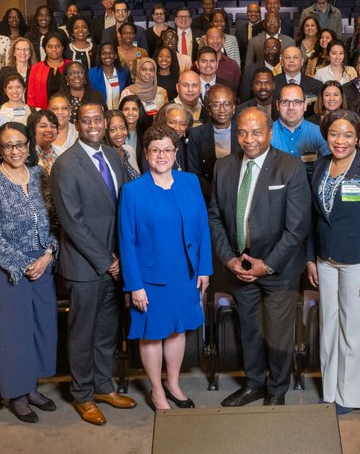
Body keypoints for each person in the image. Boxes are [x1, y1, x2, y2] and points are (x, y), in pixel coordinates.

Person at [209, 107, 312, 408]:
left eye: (256, 132)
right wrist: (229, 260)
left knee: (278, 332)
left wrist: (265, 266)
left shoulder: (290, 167)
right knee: (250, 330)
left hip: (277, 269)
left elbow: (297, 228)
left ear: (269, 133)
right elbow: (215, 218)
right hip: (239, 267)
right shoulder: (224, 167)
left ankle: (277, 389)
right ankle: (254, 384)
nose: (249, 139)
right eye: (242, 132)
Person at [50, 103, 137, 425]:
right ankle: (83, 394)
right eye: (85, 120)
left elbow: (122, 210)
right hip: (85, 267)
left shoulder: (115, 156)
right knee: (82, 334)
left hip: (114, 262)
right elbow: (72, 223)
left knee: (106, 331)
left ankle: (104, 386)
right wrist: (107, 261)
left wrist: (121, 258)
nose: (93, 125)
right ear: (77, 124)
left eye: (97, 119)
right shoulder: (65, 165)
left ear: (105, 121)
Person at [118, 125, 213, 412]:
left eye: (168, 150)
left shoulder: (190, 182)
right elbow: (127, 240)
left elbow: (202, 228)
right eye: (156, 150)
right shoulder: (133, 191)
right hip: (150, 279)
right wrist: (134, 285)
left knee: (178, 331)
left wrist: (204, 268)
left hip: (185, 273)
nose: (162, 155)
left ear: (176, 153)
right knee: (152, 333)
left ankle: (173, 383)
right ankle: (157, 391)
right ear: (146, 154)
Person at [304, 110, 360, 414]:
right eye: (334, 134)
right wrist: (310, 259)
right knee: (329, 326)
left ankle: (351, 396)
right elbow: (313, 217)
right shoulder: (320, 166)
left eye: (348, 135)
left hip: (359, 263)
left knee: (355, 331)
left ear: (358, 137)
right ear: (326, 135)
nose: (340, 141)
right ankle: (330, 391)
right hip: (325, 259)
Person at [0, 122, 61, 423]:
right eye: (8, 145)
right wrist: (21, 265)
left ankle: (33, 386)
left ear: (29, 146)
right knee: (13, 333)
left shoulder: (40, 175)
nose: (15, 150)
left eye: (20, 144)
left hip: (42, 262)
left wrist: (49, 254)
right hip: (6, 267)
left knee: (40, 326)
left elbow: (53, 220)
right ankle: (16, 393)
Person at [185, 84, 239, 188]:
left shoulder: (243, 131)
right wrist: (215, 195)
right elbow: (194, 174)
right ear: (209, 109)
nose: (222, 110)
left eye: (227, 104)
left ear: (233, 108)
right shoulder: (196, 134)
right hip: (208, 195)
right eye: (216, 105)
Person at [271, 83, 330, 175]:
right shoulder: (266, 134)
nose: (291, 107)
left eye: (297, 102)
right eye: (285, 102)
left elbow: (328, 167)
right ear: (278, 105)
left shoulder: (319, 133)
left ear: (305, 105)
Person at [26, 31, 71, 109]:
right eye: (50, 46)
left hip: (67, 111)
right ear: (44, 48)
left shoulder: (71, 65)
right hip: (42, 112)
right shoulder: (36, 68)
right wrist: (33, 112)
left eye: (58, 46)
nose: (54, 49)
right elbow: (31, 95)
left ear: (63, 47)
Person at [0, 37, 37, 104]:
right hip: (10, 110)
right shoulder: (5, 71)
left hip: (31, 109)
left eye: (26, 49)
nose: (22, 52)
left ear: (30, 53)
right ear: (14, 53)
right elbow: (1, 97)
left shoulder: (36, 72)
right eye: (18, 49)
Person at [104, 109, 141, 180]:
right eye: (113, 130)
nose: (120, 133)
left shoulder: (129, 150)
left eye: (122, 128)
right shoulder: (103, 158)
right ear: (105, 132)